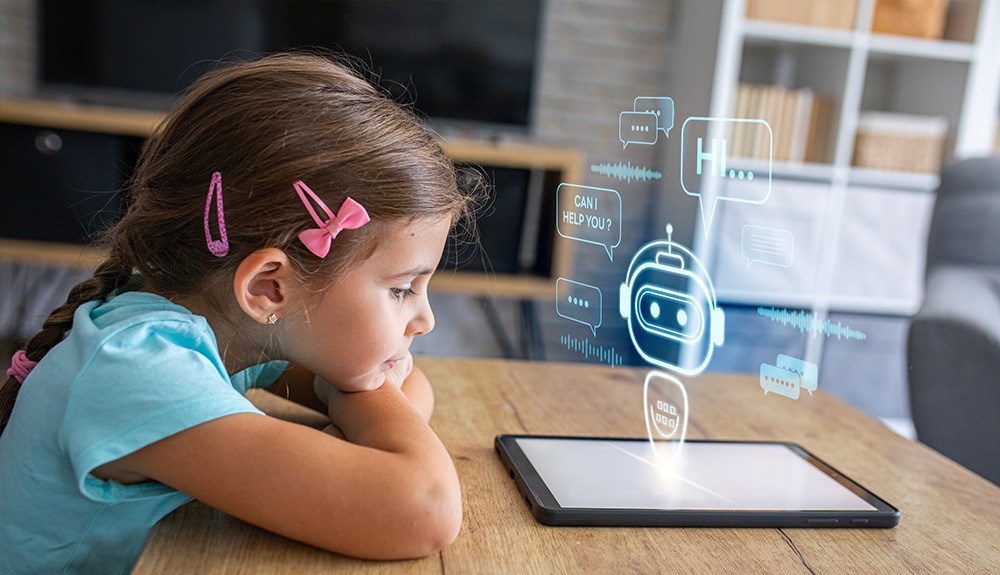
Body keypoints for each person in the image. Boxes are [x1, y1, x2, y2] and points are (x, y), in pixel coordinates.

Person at [0, 53, 481, 574]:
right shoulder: (139, 368)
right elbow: (425, 508)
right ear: (268, 287)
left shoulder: (223, 324)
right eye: (403, 289)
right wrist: (348, 456)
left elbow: (412, 394)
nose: (426, 319)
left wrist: (356, 431)